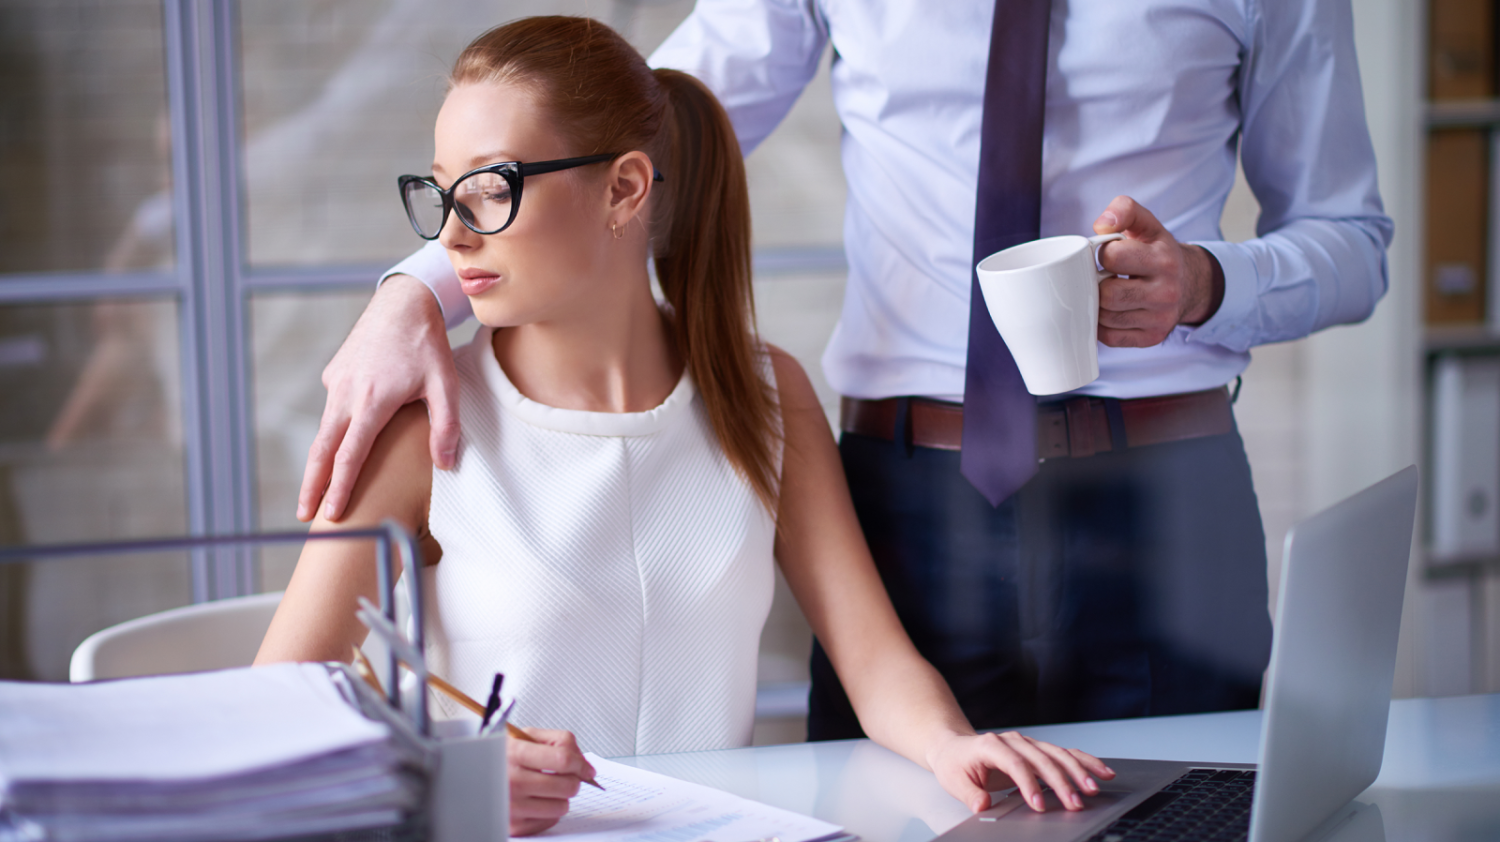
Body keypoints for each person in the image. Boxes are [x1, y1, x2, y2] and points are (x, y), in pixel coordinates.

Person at [298, 2, 1394, 738]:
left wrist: (1207, 282)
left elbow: (1353, 237)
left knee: (1196, 808)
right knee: (904, 799)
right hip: (912, 500)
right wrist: (417, 286)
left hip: (1168, 495)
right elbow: (616, 127)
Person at [255, 17, 1114, 836]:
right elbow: (265, 711)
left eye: (489, 189)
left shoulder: (765, 395)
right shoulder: (420, 426)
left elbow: (875, 659)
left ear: (624, 189)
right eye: (442, 192)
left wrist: (950, 744)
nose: (451, 233)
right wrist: (441, 770)